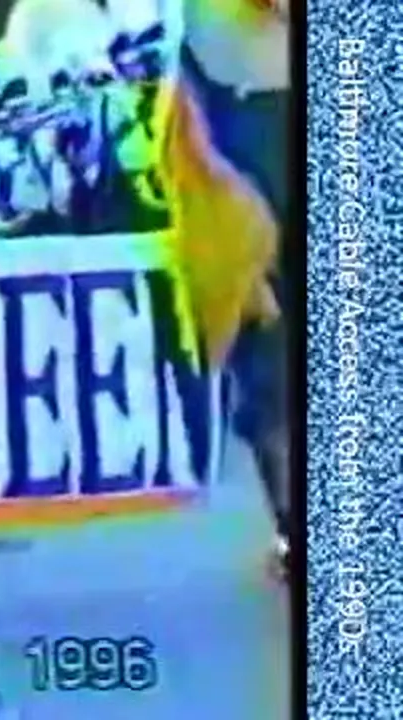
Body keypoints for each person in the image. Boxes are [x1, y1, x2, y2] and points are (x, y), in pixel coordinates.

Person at [181, 0, 290, 573]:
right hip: (243, 152)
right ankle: (291, 525)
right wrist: (211, 166)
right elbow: (185, 85)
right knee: (265, 364)